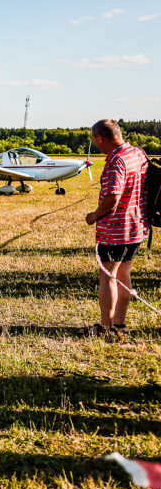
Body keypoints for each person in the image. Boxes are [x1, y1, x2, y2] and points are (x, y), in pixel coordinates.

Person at [81, 119, 148, 340]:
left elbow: (112, 197)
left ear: (100, 138)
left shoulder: (115, 161)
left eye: (95, 141)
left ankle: (106, 327)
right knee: (123, 273)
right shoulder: (136, 153)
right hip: (136, 227)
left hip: (115, 230)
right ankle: (120, 324)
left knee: (107, 275)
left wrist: (94, 216)